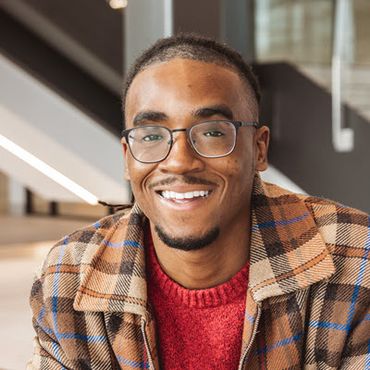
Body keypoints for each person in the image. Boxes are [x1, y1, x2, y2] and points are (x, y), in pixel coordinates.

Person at [28, 34, 369, 370]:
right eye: (150, 136)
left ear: (259, 148)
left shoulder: (356, 258)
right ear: (127, 156)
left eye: (212, 132)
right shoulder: (69, 275)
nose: (178, 161)